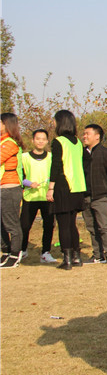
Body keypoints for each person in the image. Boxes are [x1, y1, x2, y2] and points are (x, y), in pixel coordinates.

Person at [45, 110, 87, 271]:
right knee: (71, 224)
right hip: (77, 187)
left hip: (64, 186)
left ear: (60, 123)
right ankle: (77, 257)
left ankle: (67, 259)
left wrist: (51, 188)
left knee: (63, 224)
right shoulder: (78, 142)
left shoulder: (59, 142)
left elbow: (56, 166)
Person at [81, 124, 107, 264]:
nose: (84, 136)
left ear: (97, 136)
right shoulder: (82, 154)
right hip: (86, 197)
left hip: (101, 197)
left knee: (104, 226)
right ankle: (97, 255)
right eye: (84, 134)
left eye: (87, 134)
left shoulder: (106, 153)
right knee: (91, 227)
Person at [19, 129, 57, 264]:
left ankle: (45, 252)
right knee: (24, 226)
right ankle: (22, 250)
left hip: (47, 197)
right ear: (32, 140)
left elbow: (56, 174)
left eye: (43, 139)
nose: (40, 141)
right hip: (30, 197)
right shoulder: (24, 157)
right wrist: (28, 183)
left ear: (47, 141)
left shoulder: (52, 157)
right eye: (38, 138)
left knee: (48, 225)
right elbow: (19, 175)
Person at [1, 113, 25, 269]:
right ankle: (6, 251)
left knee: (11, 223)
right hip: (2, 187)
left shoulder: (10, 143)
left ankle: (15, 254)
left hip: (9, 188)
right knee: (2, 223)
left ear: (6, 124)